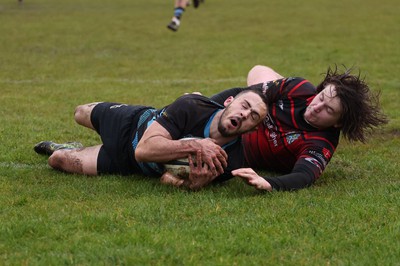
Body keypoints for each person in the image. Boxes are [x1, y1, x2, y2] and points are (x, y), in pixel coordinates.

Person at [34, 89, 268, 190]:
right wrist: (196, 144)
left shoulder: (229, 161)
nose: (244, 114)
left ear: (250, 131)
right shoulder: (192, 106)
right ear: (229, 102)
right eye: (244, 106)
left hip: (127, 163)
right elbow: (144, 148)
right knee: (79, 112)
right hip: (130, 122)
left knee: (57, 160)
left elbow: (166, 178)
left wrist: (193, 185)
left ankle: (68, 148)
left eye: (252, 117)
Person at [210, 65, 388, 192]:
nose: (317, 106)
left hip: (242, 148)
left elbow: (304, 175)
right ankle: (274, 86)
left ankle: (273, 87)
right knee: (259, 72)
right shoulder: (299, 89)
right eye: (321, 97)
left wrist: (268, 183)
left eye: (329, 109)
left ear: (338, 123)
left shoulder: (321, 143)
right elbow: (244, 94)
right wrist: (203, 104)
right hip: (244, 122)